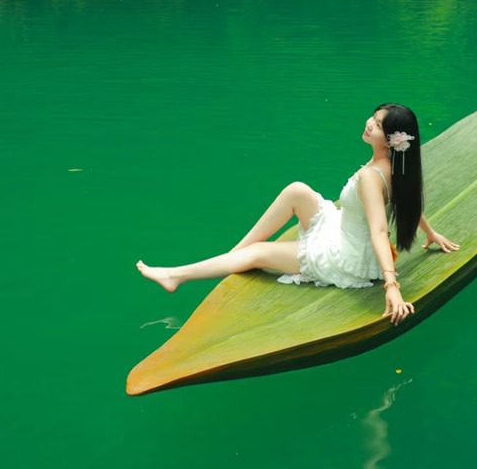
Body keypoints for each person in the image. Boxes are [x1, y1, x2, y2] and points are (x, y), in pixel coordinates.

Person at [136, 103, 459, 325]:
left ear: (391, 140)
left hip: (347, 255)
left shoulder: (371, 178)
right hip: (345, 227)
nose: (368, 124)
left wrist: (391, 284)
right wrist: (430, 233)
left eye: (376, 125)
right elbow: (409, 200)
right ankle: (232, 256)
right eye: (372, 119)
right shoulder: (398, 166)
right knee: (297, 190)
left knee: (258, 253)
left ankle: (176, 275)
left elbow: (377, 230)